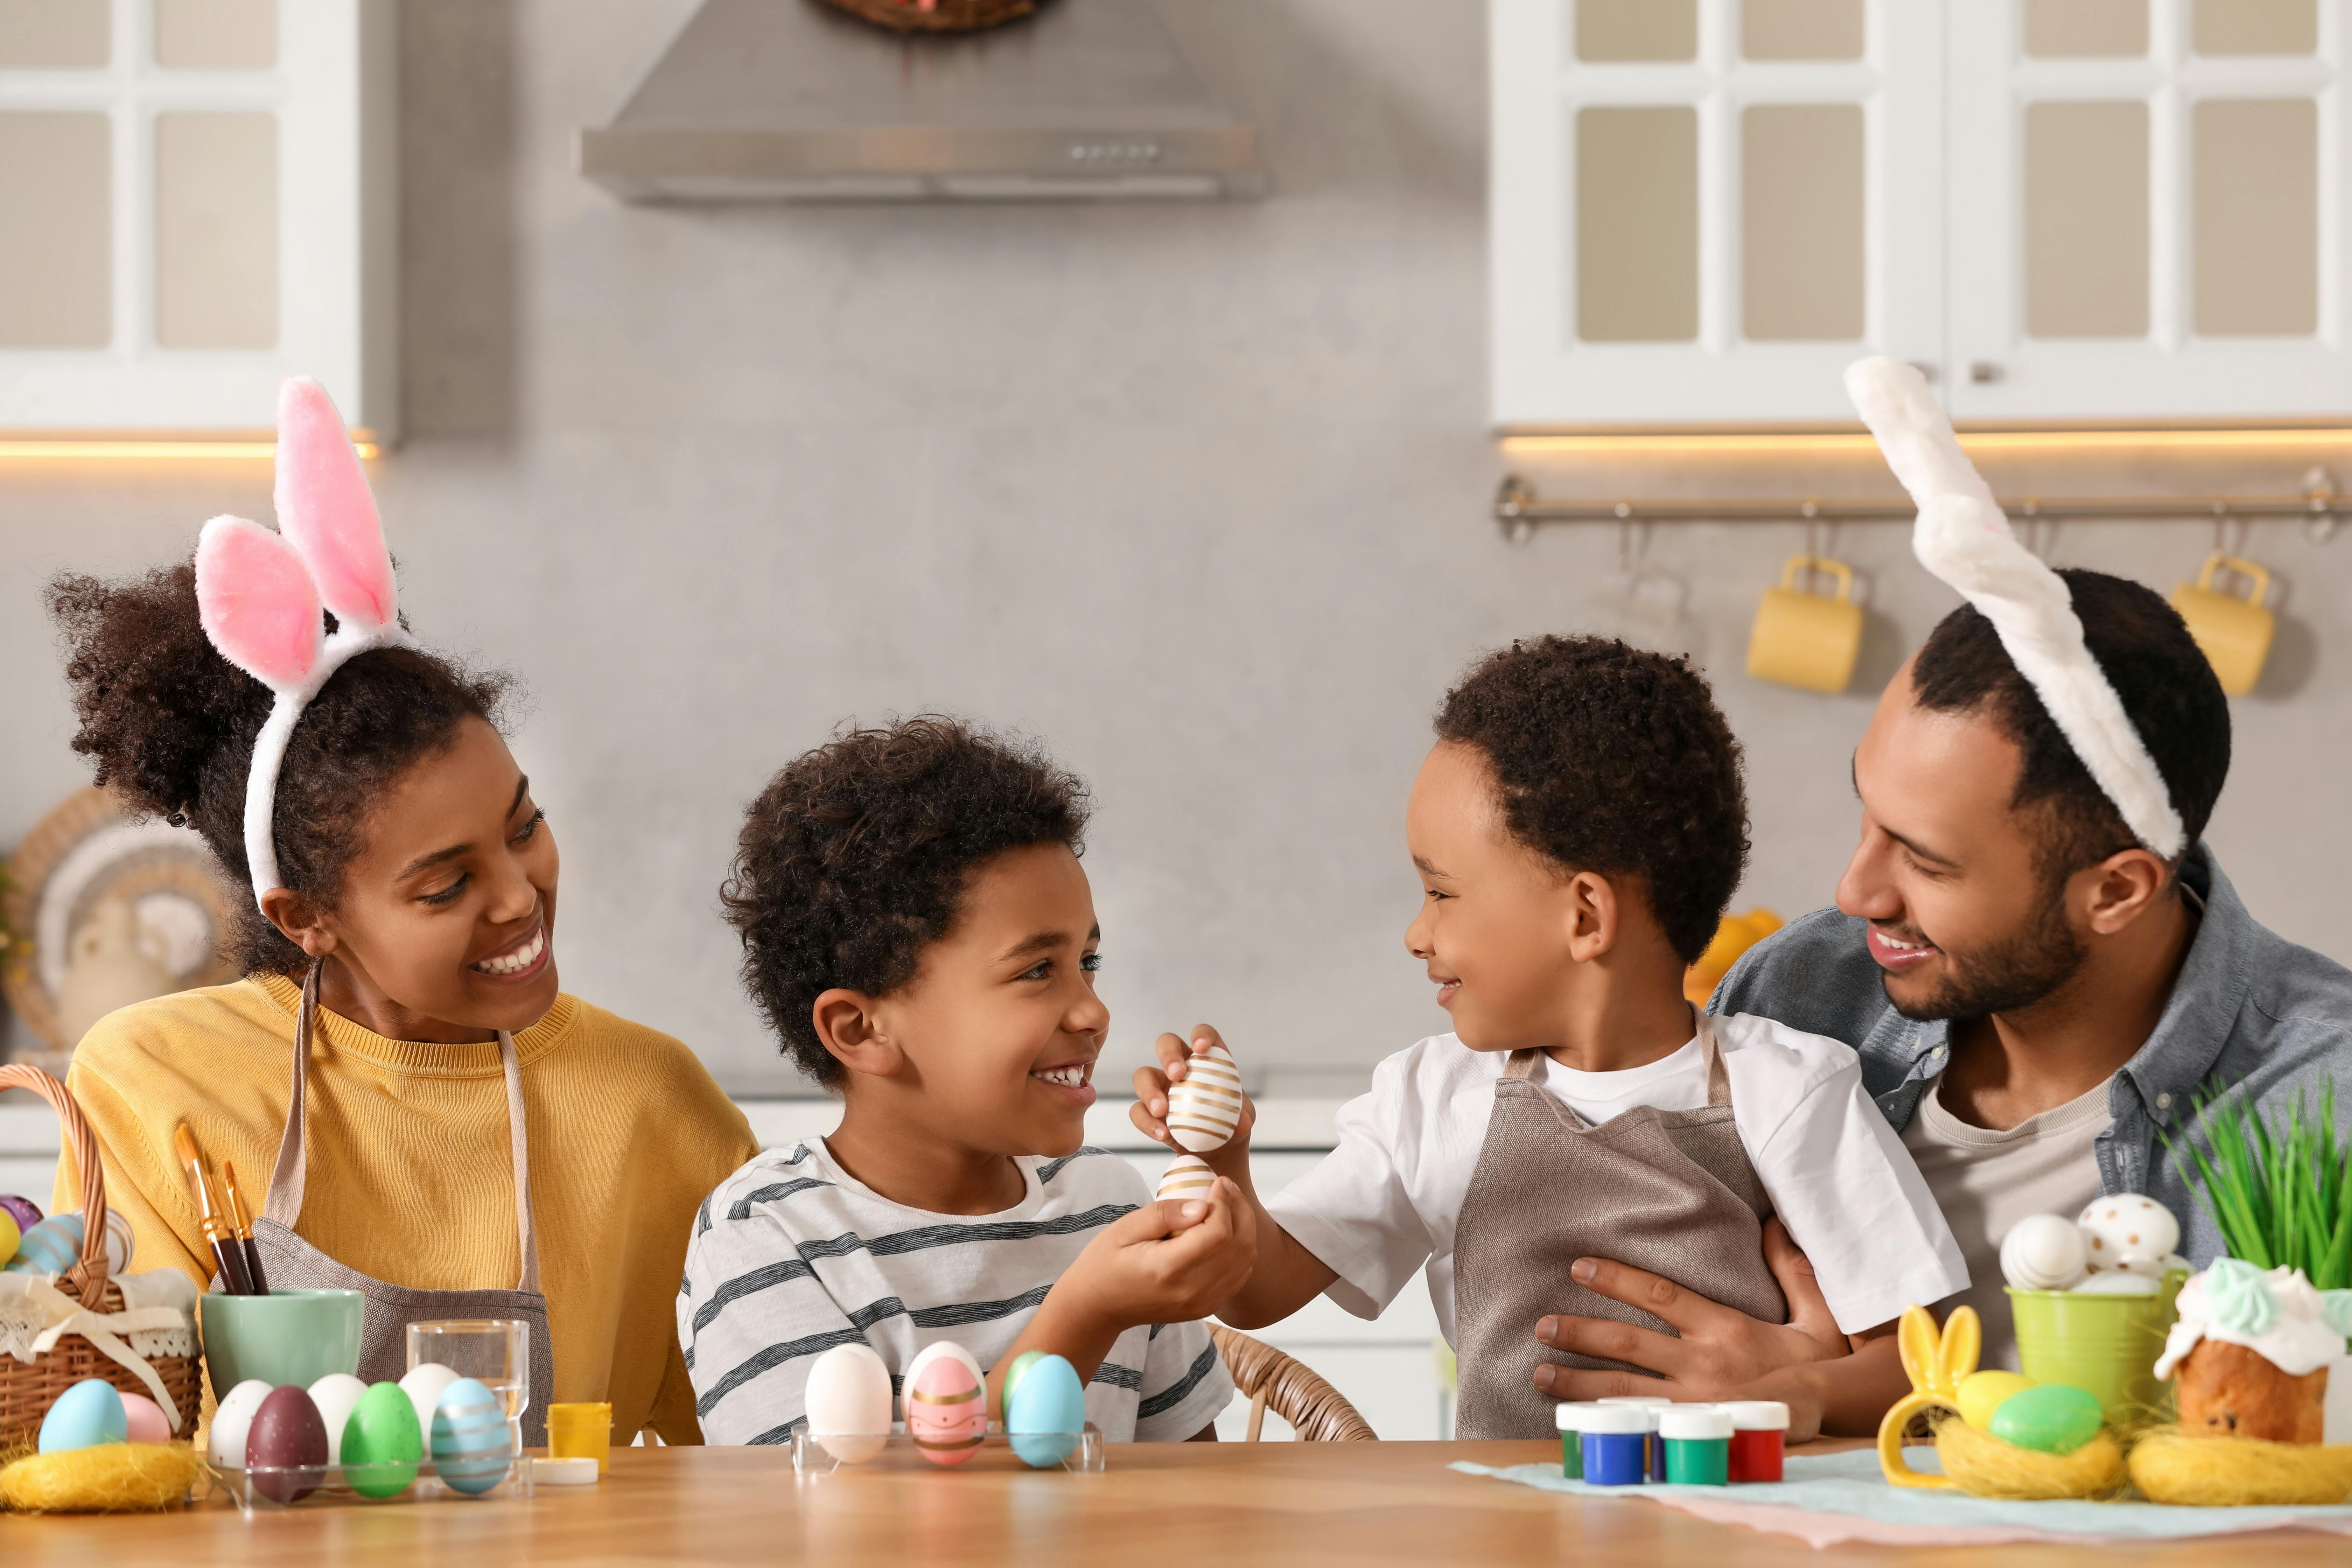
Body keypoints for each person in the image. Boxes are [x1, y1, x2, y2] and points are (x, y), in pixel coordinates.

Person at [1533, 360, 2352, 1424]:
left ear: (2116, 891)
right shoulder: (1801, 995)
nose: (1855, 890)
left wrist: (1835, 1391)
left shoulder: (2323, 1099)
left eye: (1925, 861)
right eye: (1867, 815)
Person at [49, 380, 758, 1443]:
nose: (519, 896)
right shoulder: (156, 1082)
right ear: (306, 917)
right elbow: (131, 1447)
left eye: (524, 826)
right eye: (446, 885)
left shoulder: (658, 1107)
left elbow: (745, 1456)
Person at [1130, 637, 1967, 1439]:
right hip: (1507, 1520)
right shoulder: (1432, 1098)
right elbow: (1256, 1291)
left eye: (1440, 892)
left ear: (1585, 916)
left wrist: (1789, 1395)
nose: (1416, 933)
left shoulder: (1788, 1091)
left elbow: (1925, 1372)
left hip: (1727, 1514)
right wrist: (1223, 1161)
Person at [681, 718, 1245, 1446]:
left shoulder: (1110, 1207)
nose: (1094, 1012)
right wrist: (1090, 1310)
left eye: (1088, 963)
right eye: (1037, 970)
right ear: (861, 1030)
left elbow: (1193, 1494)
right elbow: (833, 1505)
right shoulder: (765, 1236)